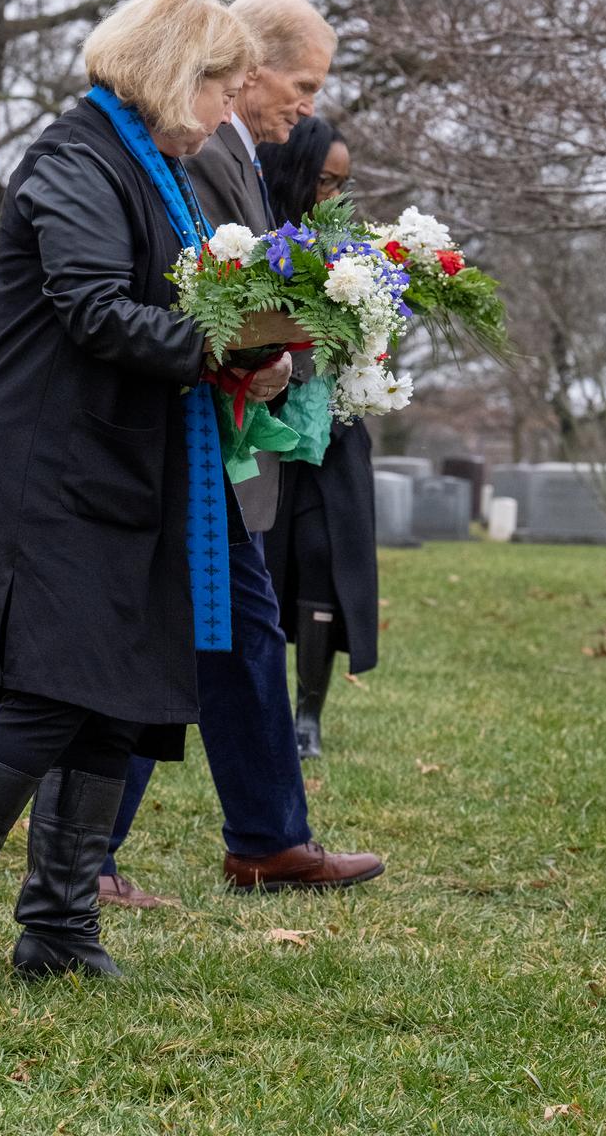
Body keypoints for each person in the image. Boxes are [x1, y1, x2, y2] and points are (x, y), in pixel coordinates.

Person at [0, 0, 277, 1012]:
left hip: (113, 458)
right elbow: (95, 312)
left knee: (110, 693)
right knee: (49, 692)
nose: (229, 111)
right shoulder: (76, 159)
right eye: (222, 88)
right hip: (40, 463)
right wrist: (239, 343)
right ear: (177, 74)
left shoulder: (147, 168)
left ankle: (55, 926)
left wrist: (257, 354)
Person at [99, 0, 384, 906]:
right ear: (248, 65)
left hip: (218, 426)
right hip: (185, 432)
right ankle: (92, 859)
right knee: (187, 636)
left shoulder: (242, 151)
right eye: (300, 84)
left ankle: (266, 836)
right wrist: (250, 352)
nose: (306, 105)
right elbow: (190, 287)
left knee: (236, 634)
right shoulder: (202, 145)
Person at [259, 118, 378, 758]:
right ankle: (262, 706)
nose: (332, 196)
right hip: (270, 426)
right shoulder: (258, 232)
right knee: (266, 564)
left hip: (335, 428)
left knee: (323, 558)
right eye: (323, 181)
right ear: (294, 172)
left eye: (342, 184)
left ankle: (309, 713)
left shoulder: (349, 247)